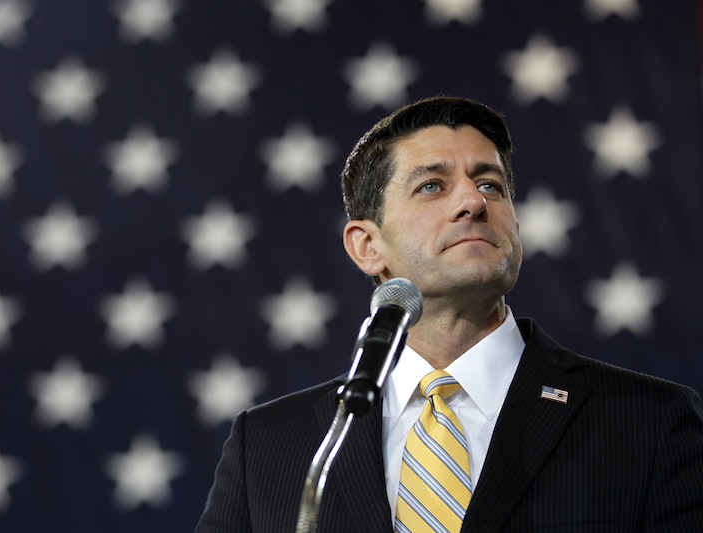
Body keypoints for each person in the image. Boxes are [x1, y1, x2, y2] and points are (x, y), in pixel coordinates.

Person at [195, 96, 703, 532]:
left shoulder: (648, 423)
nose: (473, 202)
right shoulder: (270, 447)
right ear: (368, 246)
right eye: (432, 186)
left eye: (491, 185)